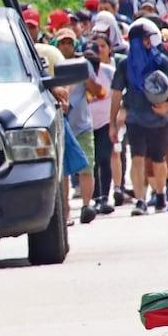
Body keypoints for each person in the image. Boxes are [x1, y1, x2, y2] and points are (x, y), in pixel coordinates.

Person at [109, 19, 168, 216]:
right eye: (146, 39)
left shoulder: (160, 60)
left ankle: (160, 195)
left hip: (159, 119)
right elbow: (116, 93)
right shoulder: (125, 65)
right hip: (135, 118)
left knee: (158, 159)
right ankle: (140, 200)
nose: (149, 43)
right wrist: (112, 123)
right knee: (137, 158)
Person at [56, 28, 104, 223]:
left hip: (82, 124)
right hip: (62, 125)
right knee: (65, 171)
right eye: (62, 43)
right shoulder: (53, 64)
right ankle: (66, 211)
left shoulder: (82, 64)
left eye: (69, 42)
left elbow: (98, 91)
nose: (66, 46)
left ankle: (86, 206)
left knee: (86, 166)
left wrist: (84, 74)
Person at [89, 35, 119, 216]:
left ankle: (105, 197)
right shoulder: (82, 73)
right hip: (85, 124)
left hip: (106, 122)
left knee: (104, 158)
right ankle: (95, 197)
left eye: (102, 46)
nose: (99, 50)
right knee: (91, 162)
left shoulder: (109, 72)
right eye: (95, 47)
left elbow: (117, 95)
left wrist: (117, 119)